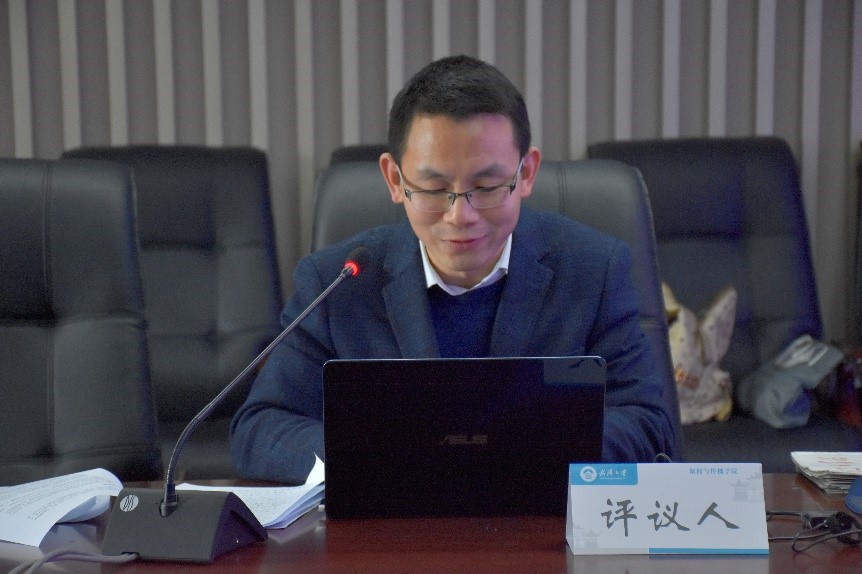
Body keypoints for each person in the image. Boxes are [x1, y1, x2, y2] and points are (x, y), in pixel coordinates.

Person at [230, 55, 677, 483]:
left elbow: (648, 423)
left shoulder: (593, 270)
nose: (460, 216)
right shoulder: (337, 281)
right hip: (394, 524)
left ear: (526, 174)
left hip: (541, 519)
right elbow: (261, 428)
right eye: (434, 188)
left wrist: (516, 452)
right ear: (394, 180)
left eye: (487, 187)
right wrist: (388, 456)